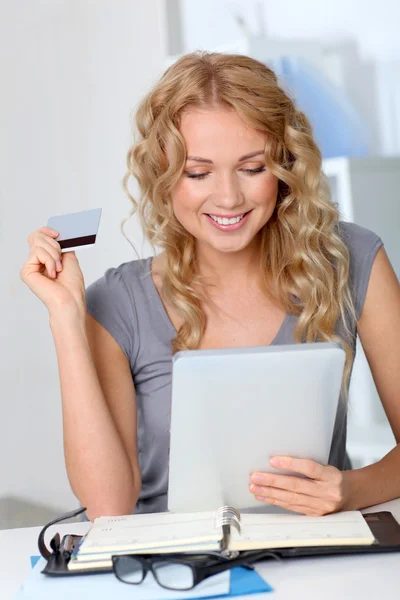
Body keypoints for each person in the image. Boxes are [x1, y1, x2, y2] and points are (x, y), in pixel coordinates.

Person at [21, 52, 400, 521]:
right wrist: (66, 317)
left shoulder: (353, 259)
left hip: (313, 561)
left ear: (284, 166)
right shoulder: (118, 302)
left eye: (252, 168)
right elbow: (108, 506)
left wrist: (350, 489)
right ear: (163, 177)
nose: (228, 198)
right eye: (198, 173)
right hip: (168, 571)